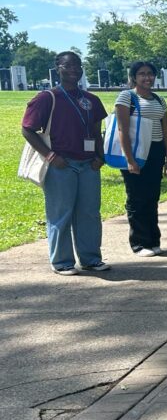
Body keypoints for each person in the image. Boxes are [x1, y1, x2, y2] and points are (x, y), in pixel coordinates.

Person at [21, 51, 109, 275]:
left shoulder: (91, 100)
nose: (73, 69)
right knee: (60, 214)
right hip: (61, 164)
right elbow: (27, 129)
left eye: (77, 65)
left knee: (90, 213)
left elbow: (97, 132)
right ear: (57, 68)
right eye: (67, 65)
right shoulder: (47, 98)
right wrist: (50, 156)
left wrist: (100, 158)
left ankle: (91, 259)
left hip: (89, 165)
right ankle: (62, 262)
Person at [115, 61, 167, 256]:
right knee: (137, 198)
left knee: (152, 197)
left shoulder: (159, 99)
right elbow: (122, 129)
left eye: (150, 74)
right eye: (142, 74)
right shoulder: (127, 97)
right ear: (134, 77)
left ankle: (153, 240)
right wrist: (130, 159)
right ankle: (139, 243)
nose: (147, 77)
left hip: (155, 151)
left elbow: (166, 130)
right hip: (136, 151)